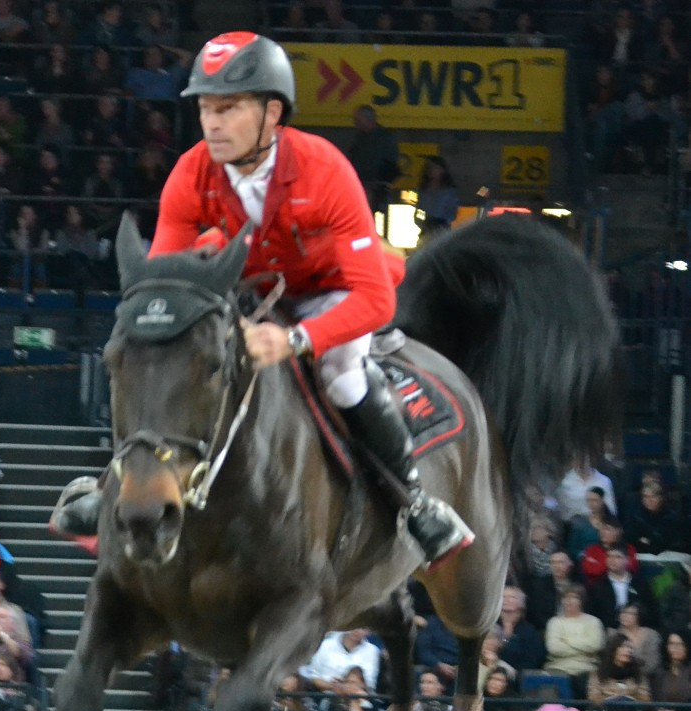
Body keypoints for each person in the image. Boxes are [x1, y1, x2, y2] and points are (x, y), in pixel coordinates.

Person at [52, 31, 473, 569]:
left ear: (273, 113)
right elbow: (163, 284)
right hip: (249, 291)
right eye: (206, 108)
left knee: (342, 375)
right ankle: (118, 484)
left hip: (331, 292)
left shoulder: (324, 169)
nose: (212, 123)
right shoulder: (191, 171)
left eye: (228, 108)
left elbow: (374, 300)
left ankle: (413, 500)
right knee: (163, 360)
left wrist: (298, 339)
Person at [543, 584, 604, 697]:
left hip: (586, 669)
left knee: (589, 685)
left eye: (573, 597)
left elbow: (595, 645)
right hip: (558, 668)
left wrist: (567, 641)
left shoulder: (593, 622)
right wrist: (584, 650)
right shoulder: (554, 622)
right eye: (565, 598)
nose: (568, 601)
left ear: (581, 601)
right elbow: (554, 648)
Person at [346, 105, 400, 213]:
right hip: (360, 184)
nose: (355, 122)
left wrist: (381, 182)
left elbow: (391, 163)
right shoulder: (359, 138)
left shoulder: (385, 138)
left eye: (358, 119)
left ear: (367, 119)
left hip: (375, 186)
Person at [300, 628, 381, 692]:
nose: (357, 630)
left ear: (369, 631)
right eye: (355, 626)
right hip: (325, 695)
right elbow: (314, 676)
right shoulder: (326, 644)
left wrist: (346, 686)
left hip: (358, 697)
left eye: (363, 628)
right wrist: (332, 686)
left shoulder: (373, 651)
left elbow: (370, 685)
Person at [415, 155, 459, 237]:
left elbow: (452, 213)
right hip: (426, 229)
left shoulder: (449, 192)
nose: (432, 171)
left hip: (441, 229)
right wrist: (422, 224)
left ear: (442, 171)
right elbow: (419, 209)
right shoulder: (423, 191)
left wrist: (440, 224)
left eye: (436, 168)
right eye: (430, 168)